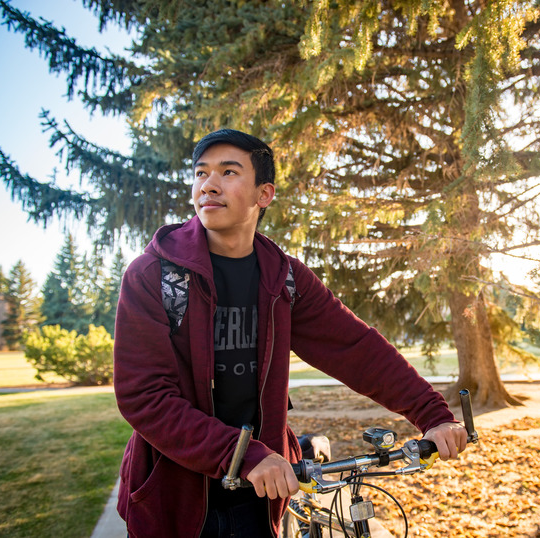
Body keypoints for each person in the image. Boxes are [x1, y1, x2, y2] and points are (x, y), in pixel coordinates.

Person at [113, 129, 468, 538]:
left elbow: (357, 349)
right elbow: (145, 397)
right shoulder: (155, 275)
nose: (208, 185)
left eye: (228, 172)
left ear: (264, 194)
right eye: (200, 173)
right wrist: (241, 454)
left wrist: (433, 416)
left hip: (262, 496)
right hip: (174, 498)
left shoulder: (285, 279)